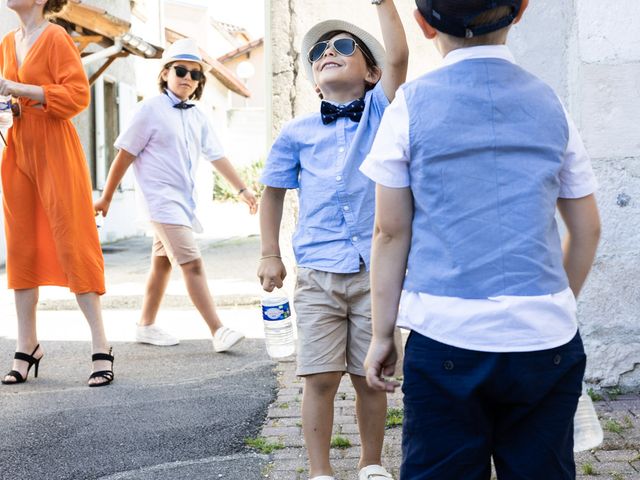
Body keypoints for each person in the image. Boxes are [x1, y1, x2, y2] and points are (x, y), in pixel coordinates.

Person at [361, 0, 602, 478]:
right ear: (520, 11)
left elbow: (389, 232)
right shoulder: (550, 101)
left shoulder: (410, 105)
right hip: (546, 338)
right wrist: (552, 302)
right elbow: (587, 227)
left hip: (447, 334)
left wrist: (382, 334)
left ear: (424, 24)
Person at [258, 1, 408, 478]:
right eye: (319, 51)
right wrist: (269, 253)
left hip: (373, 274)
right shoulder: (296, 132)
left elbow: (401, 59)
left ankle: (370, 463)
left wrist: (383, 4)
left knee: (371, 377)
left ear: (371, 73)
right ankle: (320, 470)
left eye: (344, 46)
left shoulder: (380, 113)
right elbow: (272, 192)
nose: (328, 51)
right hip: (318, 273)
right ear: (313, 78)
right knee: (318, 376)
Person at [94, 38, 257, 353]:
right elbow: (124, 156)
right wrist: (107, 197)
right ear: (165, 73)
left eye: (195, 74)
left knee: (162, 264)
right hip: (160, 202)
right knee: (192, 263)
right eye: (180, 70)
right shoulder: (148, 110)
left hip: (183, 203)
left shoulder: (197, 116)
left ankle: (145, 324)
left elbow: (217, 156)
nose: (187, 78)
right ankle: (218, 330)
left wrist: (242, 189)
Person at [0, 0, 114, 387]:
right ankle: (27, 344)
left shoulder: (57, 37)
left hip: (55, 147)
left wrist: (17, 87)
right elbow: (11, 100)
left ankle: (102, 345)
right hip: (18, 147)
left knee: (73, 239)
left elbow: (76, 96)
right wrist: (8, 104)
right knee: (22, 246)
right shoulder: (6, 42)